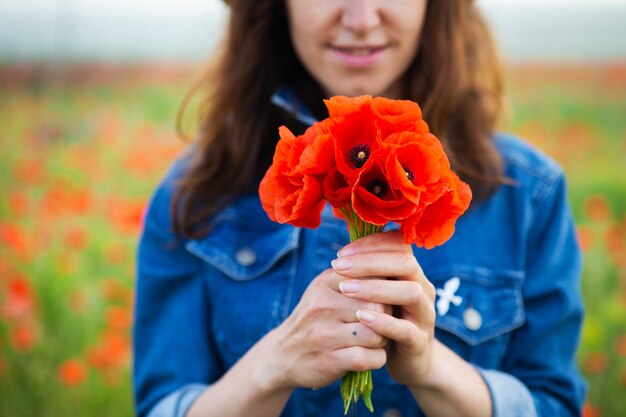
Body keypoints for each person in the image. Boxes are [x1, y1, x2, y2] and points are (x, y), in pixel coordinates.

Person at [133, 1, 587, 416]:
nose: (362, 20)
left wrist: (431, 370)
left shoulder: (529, 194)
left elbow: (554, 403)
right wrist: (273, 366)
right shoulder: (193, 197)